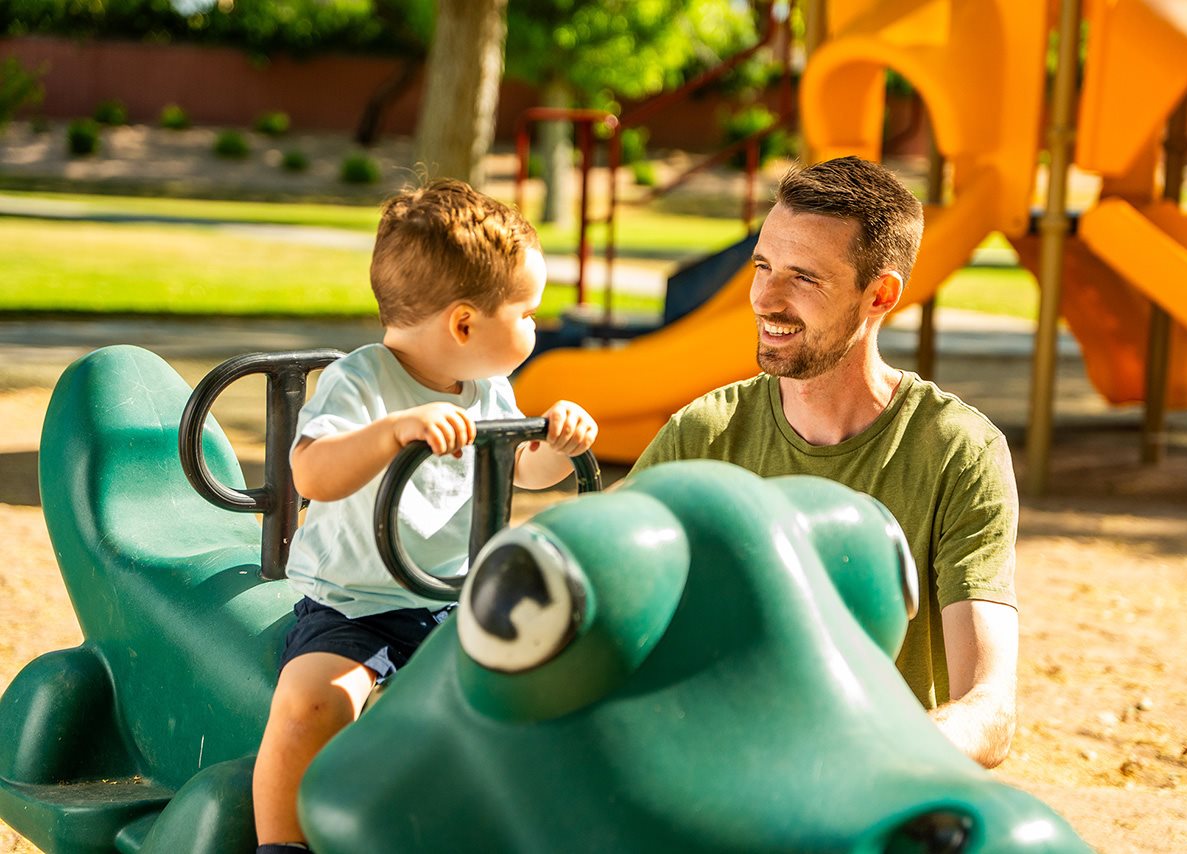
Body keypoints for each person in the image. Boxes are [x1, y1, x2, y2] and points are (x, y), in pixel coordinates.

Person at [630, 156, 1018, 769]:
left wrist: (872, 754)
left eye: (804, 278)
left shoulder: (958, 451)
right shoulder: (702, 434)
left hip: (870, 795)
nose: (766, 299)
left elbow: (988, 710)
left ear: (880, 294)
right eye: (763, 267)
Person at [253, 179, 598, 853]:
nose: (537, 324)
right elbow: (311, 474)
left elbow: (521, 471)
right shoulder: (362, 380)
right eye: (527, 311)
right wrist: (391, 433)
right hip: (359, 606)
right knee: (313, 702)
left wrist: (558, 447)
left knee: (547, 694)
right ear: (465, 324)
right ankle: (282, 844)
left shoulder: (487, 387)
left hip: (459, 601)